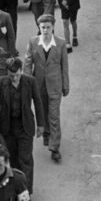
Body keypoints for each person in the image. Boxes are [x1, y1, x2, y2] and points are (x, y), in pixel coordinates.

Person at [0, 58, 44, 193]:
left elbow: (38, 102)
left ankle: (26, 192)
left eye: (17, 75)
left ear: (21, 70)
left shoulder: (30, 82)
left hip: (25, 126)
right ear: (7, 73)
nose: (14, 78)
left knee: (25, 159)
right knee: (12, 159)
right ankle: (16, 188)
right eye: (11, 75)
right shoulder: (0, 83)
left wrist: (41, 124)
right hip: (7, 127)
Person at [23, 14, 69, 163]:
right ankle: (47, 134)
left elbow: (64, 67)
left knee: (54, 115)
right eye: (43, 27)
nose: (46, 30)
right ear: (39, 28)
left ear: (53, 27)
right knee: (42, 111)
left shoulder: (61, 44)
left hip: (55, 85)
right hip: (39, 84)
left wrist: (65, 85)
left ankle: (55, 147)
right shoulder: (33, 42)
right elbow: (28, 64)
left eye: (48, 27)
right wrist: (28, 84)